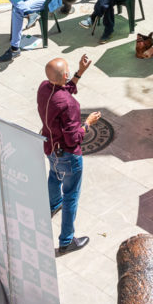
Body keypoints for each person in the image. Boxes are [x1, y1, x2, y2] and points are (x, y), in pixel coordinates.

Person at [37, 55, 100, 255]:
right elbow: (73, 138)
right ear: (65, 74)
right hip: (67, 153)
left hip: (49, 147)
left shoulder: (44, 88)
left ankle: (52, 205)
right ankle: (66, 241)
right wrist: (88, 123)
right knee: (71, 195)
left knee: (54, 175)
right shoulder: (70, 105)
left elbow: (62, 92)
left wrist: (80, 72)